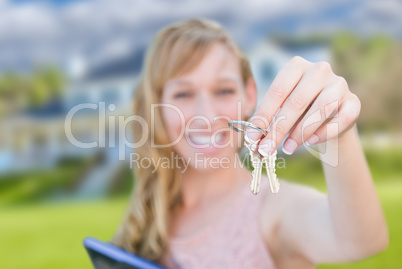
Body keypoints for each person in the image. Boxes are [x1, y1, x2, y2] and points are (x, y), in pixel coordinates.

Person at [111, 18, 388, 269]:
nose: (207, 116)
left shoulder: (274, 211)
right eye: (183, 93)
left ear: (251, 94)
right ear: (157, 106)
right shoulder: (151, 208)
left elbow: (361, 241)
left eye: (223, 90)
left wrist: (337, 130)